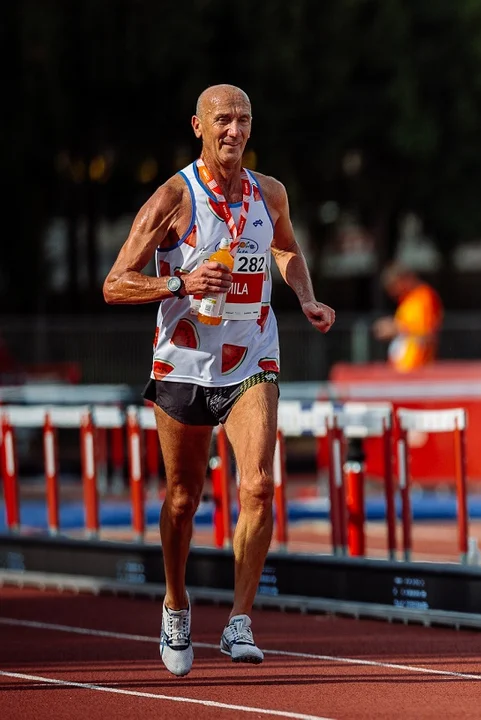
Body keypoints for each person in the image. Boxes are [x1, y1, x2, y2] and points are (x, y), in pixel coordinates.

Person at [102, 84, 335, 676]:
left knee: (257, 485)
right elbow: (114, 283)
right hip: (183, 363)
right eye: (223, 121)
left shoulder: (270, 192)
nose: (235, 131)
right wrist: (180, 283)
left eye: (244, 120)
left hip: (252, 356)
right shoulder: (174, 197)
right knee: (184, 498)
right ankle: (176, 603)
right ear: (198, 127)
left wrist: (305, 297)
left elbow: (286, 250)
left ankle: (238, 620)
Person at [372, 262, 443, 372]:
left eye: (394, 285)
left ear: (405, 278)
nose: (392, 292)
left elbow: (428, 335)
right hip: (403, 369)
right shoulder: (406, 300)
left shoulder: (424, 297)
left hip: (417, 369)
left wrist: (395, 328)